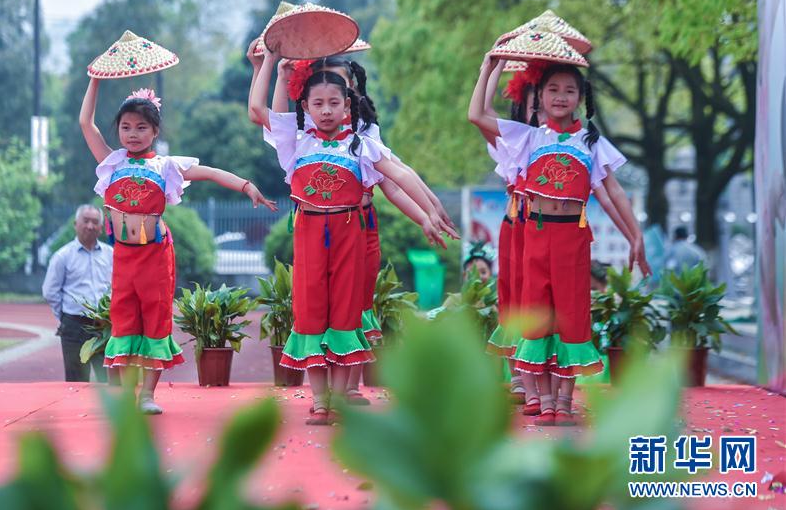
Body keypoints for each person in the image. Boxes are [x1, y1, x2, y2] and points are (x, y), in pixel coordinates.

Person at [249, 44, 445, 426]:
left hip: (350, 234)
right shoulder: (295, 140)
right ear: (304, 106)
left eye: (333, 102)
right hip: (308, 234)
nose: (325, 109)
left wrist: (433, 211)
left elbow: (401, 175)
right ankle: (319, 401)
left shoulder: (361, 143)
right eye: (317, 102)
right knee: (310, 314)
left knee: (344, 315)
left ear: (346, 104)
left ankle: (339, 399)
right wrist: (270, 62)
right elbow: (259, 110)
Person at [469, 57, 651, 427]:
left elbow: (613, 193)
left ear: (582, 97)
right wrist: (490, 66)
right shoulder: (529, 137)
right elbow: (477, 115)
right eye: (553, 89)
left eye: (570, 90)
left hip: (572, 237)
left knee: (570, 314)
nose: (561, 96)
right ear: (539, 96)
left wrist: (636, 236)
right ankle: (545, 399)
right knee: (536, 313)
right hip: (534, 234)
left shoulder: (591, 142)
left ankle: (565, 403)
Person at [80, 81, 277, 414]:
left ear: (155, 131)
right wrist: (96, 80)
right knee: (125, 321)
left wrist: (247, 186)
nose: (132, 133)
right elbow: (86, 123)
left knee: (155, 319)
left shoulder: (166, 167)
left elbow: (211, 173)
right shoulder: (112, 162)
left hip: (155, 256)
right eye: (126, 127)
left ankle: (147, 396)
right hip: (124, 257)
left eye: (141, 127)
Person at [42, 204, 113, 383]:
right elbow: (50, 291)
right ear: (76, 224)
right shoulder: (62, 256)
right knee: (76, 382)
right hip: (74, 326)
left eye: (95, 222)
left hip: (104, 326)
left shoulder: (111, 255)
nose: (90, 226)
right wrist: (67, 316)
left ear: (101, 227)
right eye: (86, 221)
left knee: (110, 380)